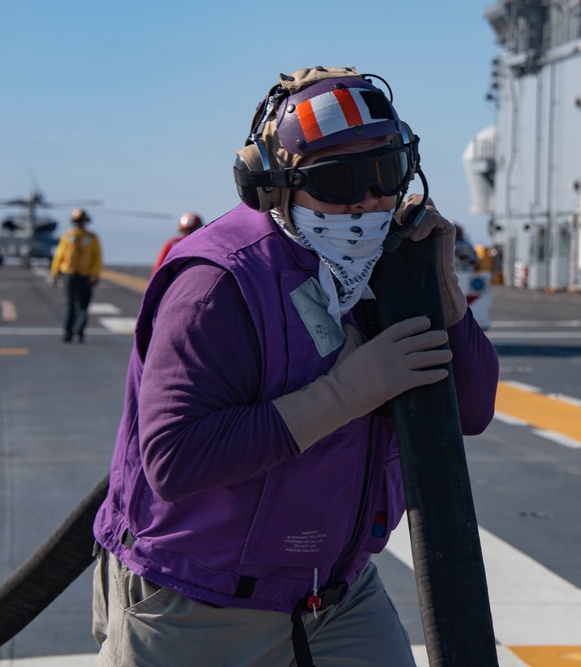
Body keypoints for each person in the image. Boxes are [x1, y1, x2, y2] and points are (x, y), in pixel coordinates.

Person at [91, 66, 499, 667]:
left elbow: (470, 409)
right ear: (273, 186)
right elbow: (175, 460)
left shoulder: (380, 268)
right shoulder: (218, 285)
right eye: (339, 182)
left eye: (384, 175)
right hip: (198, 596)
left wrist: (443, 293)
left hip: (333, 593)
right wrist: (347, 393)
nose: (369, 202)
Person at [50, 207, 102, 343]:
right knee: (71, 305)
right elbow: (60, 255)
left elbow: (97, 257)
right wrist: (55, 272)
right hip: (70, 274)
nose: (81, 223)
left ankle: (80, 331)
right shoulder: (67, 237)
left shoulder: (92, 238)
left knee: (84, 306)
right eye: (78, 221)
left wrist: (95, 274)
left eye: (82, 221)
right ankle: (68, 331)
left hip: (86, 275)